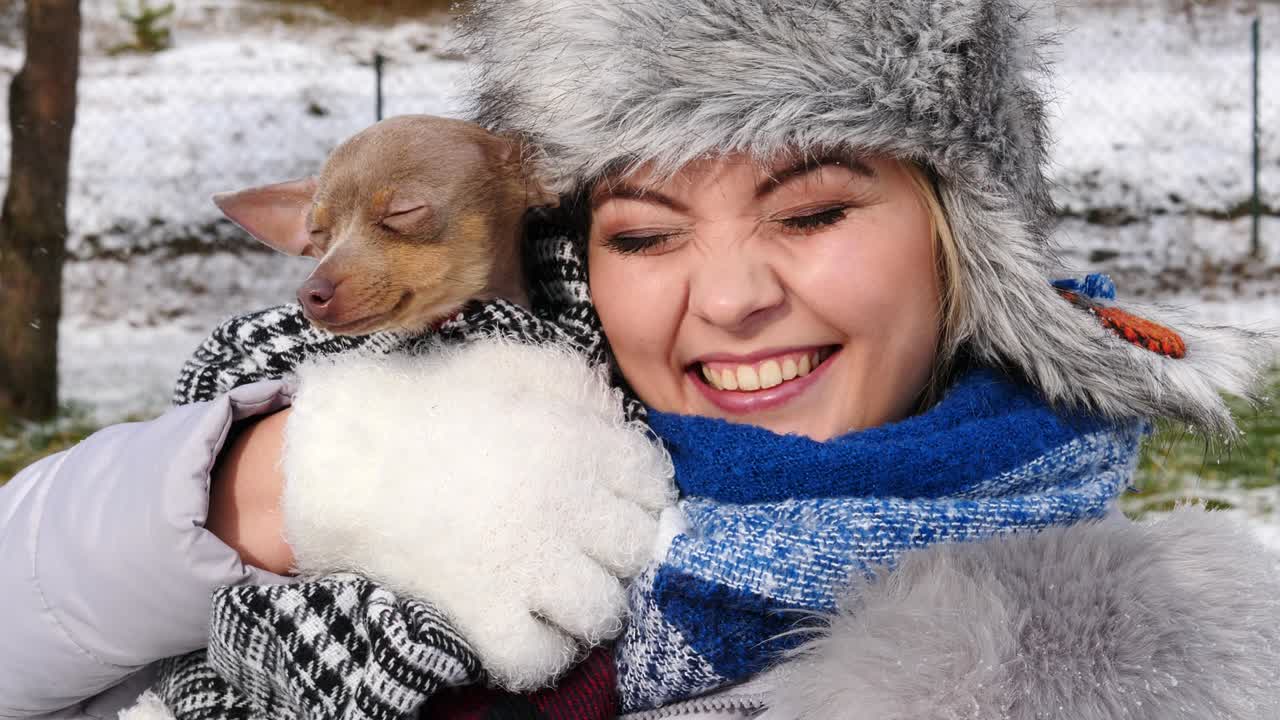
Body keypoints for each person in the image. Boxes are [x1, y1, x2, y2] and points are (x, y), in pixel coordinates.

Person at [2, 0, 1278, 718]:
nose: (727, 298)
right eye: (645, 232)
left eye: (814, 211)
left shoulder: (1181, 653)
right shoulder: (435, 504)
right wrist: (261, 493)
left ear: (964, 237)